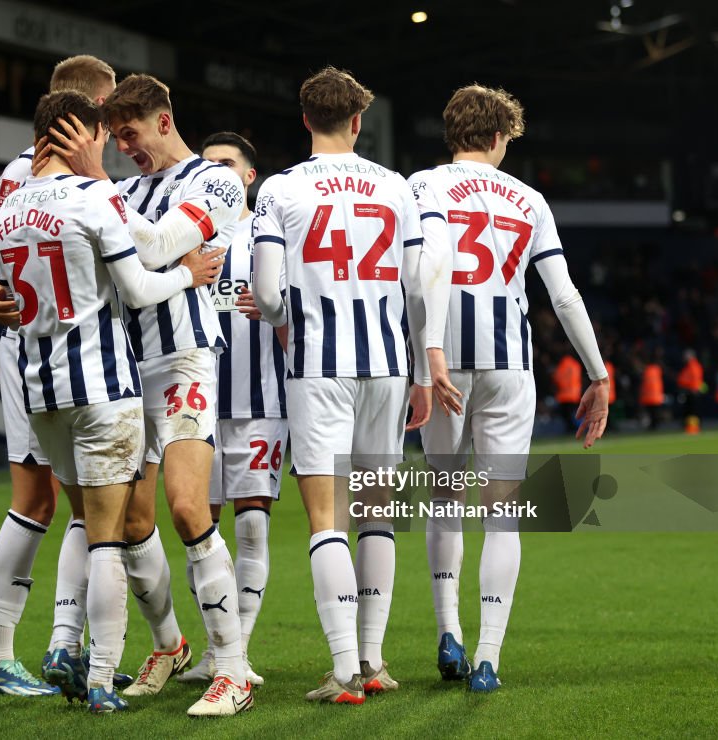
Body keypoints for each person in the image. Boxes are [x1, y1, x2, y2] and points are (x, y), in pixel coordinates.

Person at [0, 89, 223, 713]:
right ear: (85, 134)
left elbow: (6, 288)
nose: (119, 147)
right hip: (105, 381)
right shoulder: (98, 193)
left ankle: (207, 656)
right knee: (111, 536)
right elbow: (145, 275)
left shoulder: (9, 206)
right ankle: (110, 672)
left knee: (153, 514)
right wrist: (187, 274)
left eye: (128, 134)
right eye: (109, 134)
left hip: (66, 385)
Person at [408, 84, 609, 693]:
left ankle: (450, 632)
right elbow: (564, 295)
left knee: (444, 496)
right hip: (507, 366)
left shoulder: (423, 184)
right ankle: (489, 659)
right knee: (502, 516)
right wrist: (598, 372)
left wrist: (425, 356)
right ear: (499, 137)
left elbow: (422, 275)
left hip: (442, 364)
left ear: (453, 133)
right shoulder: (529, 198)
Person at [252, 67, 431, 704]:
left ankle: (345, 670)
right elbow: (415, 288)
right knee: (377, 516)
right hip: (386, 366)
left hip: (318, 365)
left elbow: (268, 294)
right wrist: (419, 369)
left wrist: (281, 319)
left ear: (305, 119)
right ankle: (376, 661)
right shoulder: (397, 188)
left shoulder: (279, 190)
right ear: (358, 122)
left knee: (326, 520)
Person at [0, 55, 121, 699]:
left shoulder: (16, 178)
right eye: (107, 113)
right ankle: (0, 652)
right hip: (56, 352)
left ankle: (64, 642)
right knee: (49, 501)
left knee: (71, 502)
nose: (112, 128)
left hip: (34, 347)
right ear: (84, 112)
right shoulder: (68, 180)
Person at [176, 132, 286, 688]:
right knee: (202, 530)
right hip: (197, 404)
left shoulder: (269, 233)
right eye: (206, 164)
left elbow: (302, 304)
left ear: (248, 176)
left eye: (224, 164)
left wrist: (278, 310)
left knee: (251, 530)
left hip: (260, 400)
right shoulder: (185, 237)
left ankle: (236, 650)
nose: (213, 172)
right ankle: (217, 649)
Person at [676, 349, 704, 434]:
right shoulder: (689, 366)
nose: (684, 357)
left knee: (693, 412)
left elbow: (695, 379)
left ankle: (694, 429)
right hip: (689, 392)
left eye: (686, 355)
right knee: (689, 412)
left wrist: (694, 389)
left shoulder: (693, 366)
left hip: (692, 392)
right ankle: (690, 428)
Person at [552, 353, 582, 432]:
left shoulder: (561, 366)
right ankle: (575, 428)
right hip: (575, 394)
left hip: (564, 395)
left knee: (566, 415)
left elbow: (557, 378)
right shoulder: (575, 364)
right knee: (574, 413)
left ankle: (571, 428)